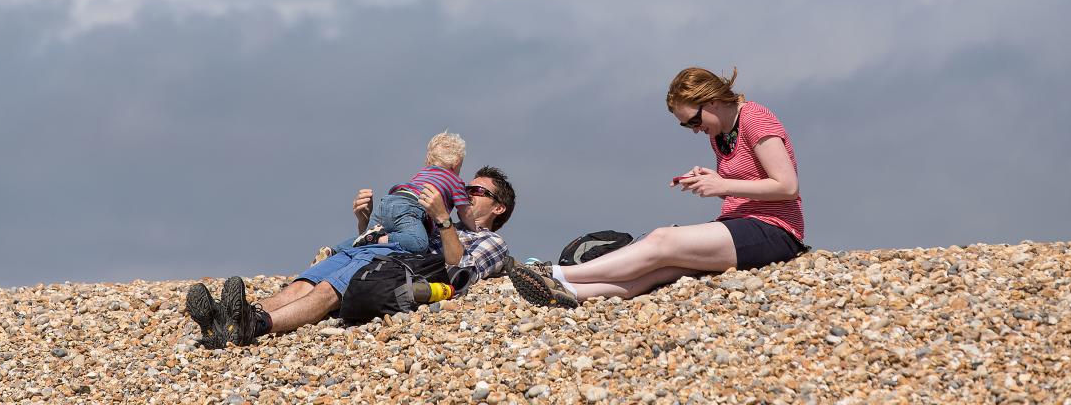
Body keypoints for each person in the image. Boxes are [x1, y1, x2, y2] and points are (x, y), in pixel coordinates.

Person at [509, 66, 805, 308]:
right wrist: (709, 177)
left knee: (662, 239)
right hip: (741, 225)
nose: (695, 130)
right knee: (660, 270)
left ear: (713, 101)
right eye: (686, 125)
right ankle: (568, 293)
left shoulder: (755, 118)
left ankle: (555, 273)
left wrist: (721, 184)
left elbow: (787, 185)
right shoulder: (720, 133)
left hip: (774, 230)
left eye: (694, 120)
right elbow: (748, 179)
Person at [186, 165, 516, 347]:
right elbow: (400, 234)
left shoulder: (490, 241)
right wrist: (366, 219)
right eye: (466, 188)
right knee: (307, 281)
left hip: (401, 269)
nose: (467, 194)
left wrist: (443, 219)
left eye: (477, 191)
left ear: (498, 207)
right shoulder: (436, 216)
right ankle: (227, 319)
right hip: (379, 251)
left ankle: (256, 325)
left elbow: (460, 269)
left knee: (329, 290)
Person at [327, 131, 477, 255]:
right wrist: (474, 228)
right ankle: (377, 239)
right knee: (419, 243)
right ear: (457, 163)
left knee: (362, 240)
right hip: (410, 208)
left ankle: (333, 252)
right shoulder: (455, 180)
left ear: (428, 160)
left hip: (388, 201)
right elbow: (465, 212)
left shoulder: (422, 173)